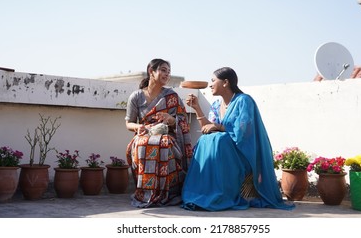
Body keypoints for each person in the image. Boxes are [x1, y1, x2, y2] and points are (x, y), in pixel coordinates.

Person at [181, 67, 294, 211]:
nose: (210, 85)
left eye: (213, 80)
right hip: (223, 150)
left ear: (225, 82)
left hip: (242, 151)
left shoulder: (244, 101)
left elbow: (243, 133)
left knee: (220, 141)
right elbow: (207, 128)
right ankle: (201, 192)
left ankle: (221, 194)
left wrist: (218, 127)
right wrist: (196, 107)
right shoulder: (216, 105)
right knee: (205, 141)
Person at [125, 58, 192, 207]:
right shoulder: (136, 96)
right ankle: (146, 192)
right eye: (163, 70)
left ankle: (165, 193)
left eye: (168, 72)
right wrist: (138, 128)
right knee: (142, 143)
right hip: (143, 134)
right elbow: (128, 123)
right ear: (151, 72)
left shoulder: (171, 97)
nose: (167, 74)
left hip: (166, 134)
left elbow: (183, 121)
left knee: (164, 143)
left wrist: (171, 119)